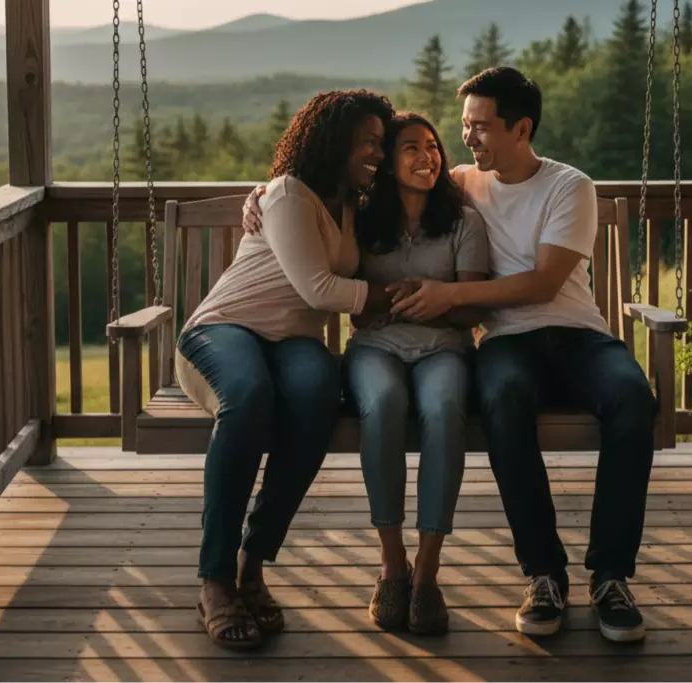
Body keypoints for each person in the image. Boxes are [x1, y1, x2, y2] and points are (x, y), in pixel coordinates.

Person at [388, 67, 656, 643]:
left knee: (634, 399)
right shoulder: (463, 181)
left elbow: (542, 283)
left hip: (577, 333)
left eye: (482, 127)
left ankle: (610, 577)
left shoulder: (569, 186)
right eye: (465, 126)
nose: (469, 139)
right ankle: (544, 574)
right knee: (503, 399)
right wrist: (266, 192)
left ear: (522, 127)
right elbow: (384, 180)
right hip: (507, 341)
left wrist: (452, 295)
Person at [175, 89, 403, 650]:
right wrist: (402, 296)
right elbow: (319, 288)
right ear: (334, 141)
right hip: (225, 329)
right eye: (367, 142)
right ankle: (214, 580)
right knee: (249, 398)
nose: (377, 151)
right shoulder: (286, 193)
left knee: (316, 394)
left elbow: (441, 180)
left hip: (292, 341)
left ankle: (253, 563)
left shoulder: (352, 202)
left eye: (381, 142)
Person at [345, 112, 489, 635]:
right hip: (375, 348)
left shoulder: (463, 222)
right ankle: (392, 565)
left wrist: (431, 301)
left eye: (432, 146)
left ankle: (427, 572)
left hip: (443, 348)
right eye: (410, 147)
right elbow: (359, 313)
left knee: (445, 409)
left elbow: (470, 311)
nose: (426, 156)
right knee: (382, 405)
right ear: (387, 162)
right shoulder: (361, 218)